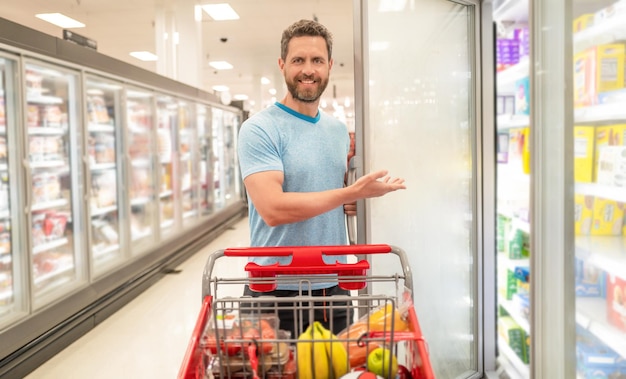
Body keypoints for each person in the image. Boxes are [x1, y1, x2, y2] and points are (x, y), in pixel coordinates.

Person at [237, 19, 406, 338]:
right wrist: (345, 195)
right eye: (298, 60)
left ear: (329, 65)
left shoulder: (338, 131)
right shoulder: (259, 129)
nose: (308, 70)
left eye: (316, 60)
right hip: (274, 290)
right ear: (282, 64)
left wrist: (354, 201)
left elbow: (327, 194)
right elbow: (274, 210)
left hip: (335, 285)